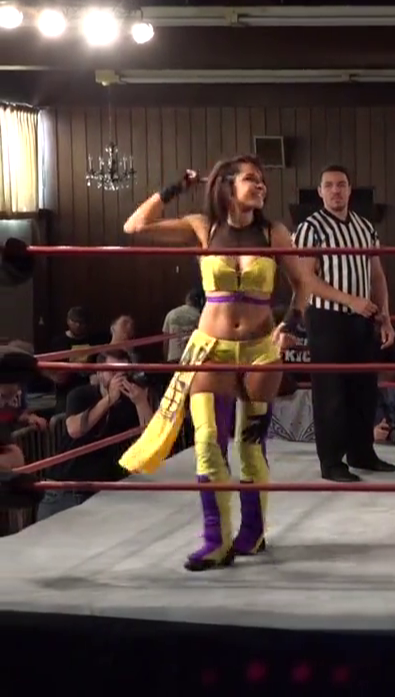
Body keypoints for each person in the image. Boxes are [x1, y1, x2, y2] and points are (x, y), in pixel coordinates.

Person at [119, 155, 317, 571]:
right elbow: (134, 226)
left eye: (263, 181)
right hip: (212, 347)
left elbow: (302, 284)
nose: (261, 186)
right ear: (227, 185)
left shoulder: (274, 232)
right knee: (208, 441)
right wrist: (177, 186)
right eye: (251, 179)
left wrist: (291, 325)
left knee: (251, 445)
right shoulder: (202, 227)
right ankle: (216, 540)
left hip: (261, 347)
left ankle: (253, 532)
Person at [292, 165, 395, 482]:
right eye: (329, 185)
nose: (335, 190)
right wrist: (349, 300)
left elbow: (376, 274)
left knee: (364, 389)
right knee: (331, 392)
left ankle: (362, 452)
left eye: (341, 185)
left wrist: (386, 316)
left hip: (363, 318)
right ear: (320, 192)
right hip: (328, 318)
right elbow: (306, 278)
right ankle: (331, 462)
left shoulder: (365, 227)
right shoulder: (311, 228)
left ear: (350, 190)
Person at [39, 351, 153, 520]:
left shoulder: (129, 401)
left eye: (123, 373)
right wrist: (109, 400)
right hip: (65, 489)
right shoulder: (80, 395)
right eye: (112, 372)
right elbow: (75, 430)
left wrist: (141, 403)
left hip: (100, 490)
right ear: (99, 373)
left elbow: (151, 439)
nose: (118, 378)